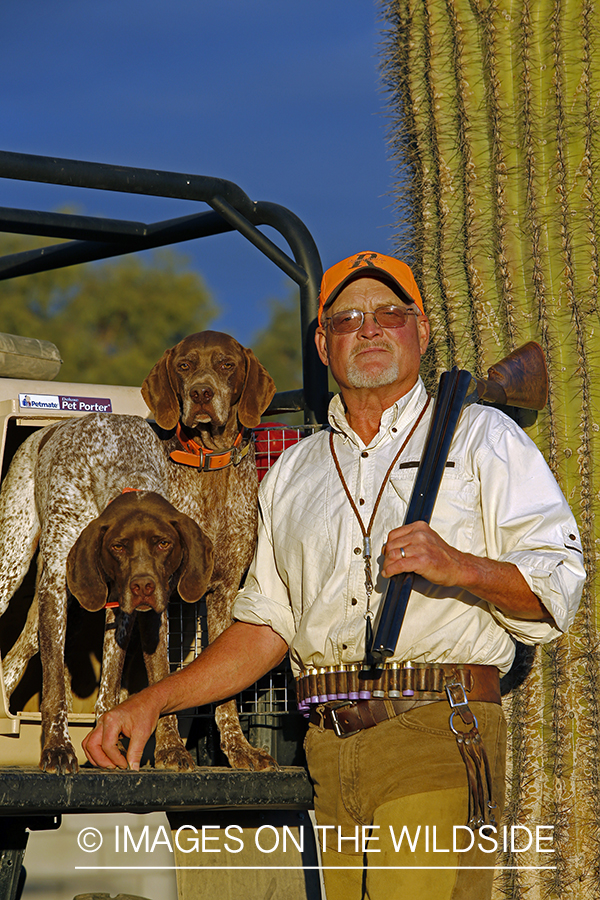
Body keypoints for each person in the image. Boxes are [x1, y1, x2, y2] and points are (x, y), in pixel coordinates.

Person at [83, 251, 585, 900]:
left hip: (439, 728)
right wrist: (151, 701)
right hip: (328, 747)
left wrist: (457, 566)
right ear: (324, 343)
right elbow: (267, 626)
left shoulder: (482, 436)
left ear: (422, 331)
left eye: (389, 314)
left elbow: (558, 584)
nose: (370, 329)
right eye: (348, 319)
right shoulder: (295, 470)